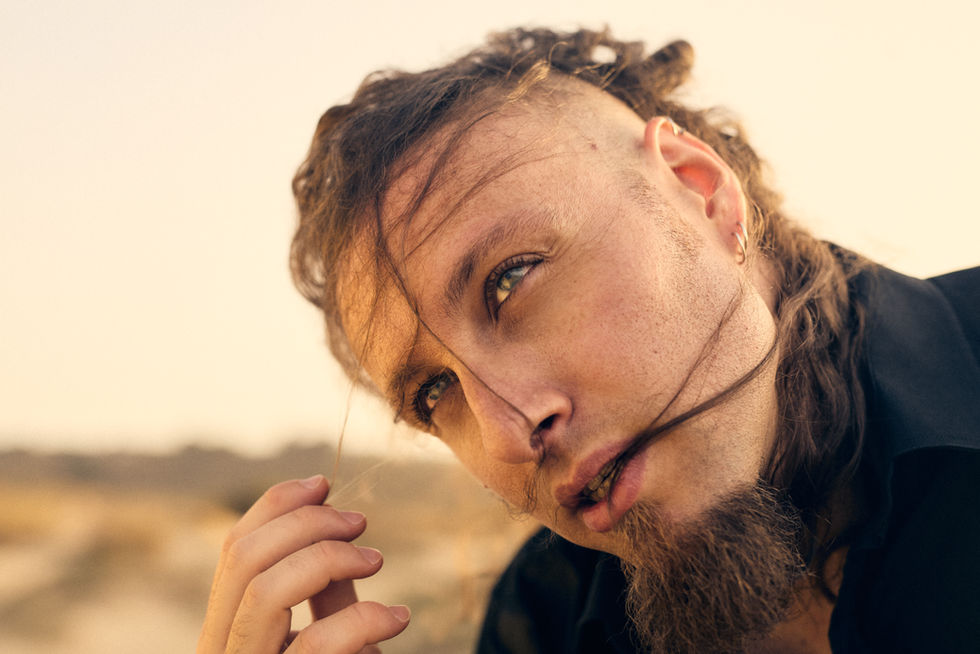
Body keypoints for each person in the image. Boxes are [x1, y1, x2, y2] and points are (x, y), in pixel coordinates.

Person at [197, 27, 980, 654]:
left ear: (700, 192)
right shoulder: (542, 621)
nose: (507, 432)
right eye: (435, 394)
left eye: (511, 279)